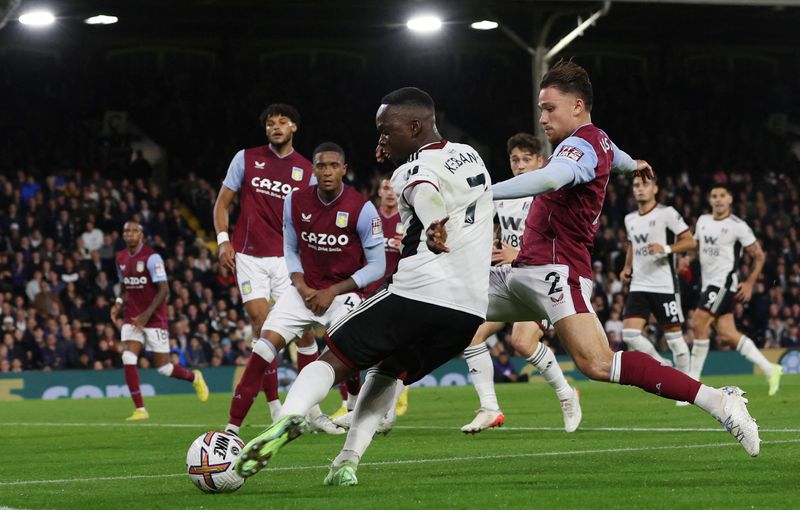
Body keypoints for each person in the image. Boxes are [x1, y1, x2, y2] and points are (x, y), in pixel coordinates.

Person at [477, 59, 760, 458]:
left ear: (577, 106)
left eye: (549, 107)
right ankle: (375, 392)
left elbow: (553, 179)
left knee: (597, 363)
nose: (542, 116)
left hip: (557, 271)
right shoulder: (600, 141)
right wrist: (636, 165)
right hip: (528, 270)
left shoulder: (577, 146)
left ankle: (718, 400)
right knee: (451, 311)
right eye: (541, 108)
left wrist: (484, 191)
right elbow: (621, 157)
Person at [234, 87, 494, 485]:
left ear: (415, 125)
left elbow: (425, 192)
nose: (381, 141)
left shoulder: (408, 171)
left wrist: (435, 224)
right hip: (468, 313)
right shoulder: (470, 154)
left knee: (332, 357)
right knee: (387, 372)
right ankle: (347, 462)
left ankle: (287, 418)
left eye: (386, 131)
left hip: (419, 293)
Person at [224, 142, 386, 437]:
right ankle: (231, 429)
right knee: (262, 347)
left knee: (348, 352)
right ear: (313, 169)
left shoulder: (362, 208)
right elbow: (291, 247)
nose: (327, 172)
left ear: (344, 170)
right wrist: (299, 283)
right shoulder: (294, 201)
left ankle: (353, 410)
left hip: (342, 294)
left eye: (334, 166)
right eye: (321, 166)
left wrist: (333, 291)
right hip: (304, 291)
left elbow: (377, 265)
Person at [461, 133, 581, 434]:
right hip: (510, 275)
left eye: (527, 159)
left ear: (541, 161)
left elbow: (561, 239)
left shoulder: (550, 196)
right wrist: (490, 246)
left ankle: (567, 394)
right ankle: (490, 408)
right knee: (470, 335)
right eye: (515, 159)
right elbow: (499, 233)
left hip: (541, 276)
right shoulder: (507, 195)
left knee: (522, 342)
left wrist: (521, 253)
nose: (520, 165)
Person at [214, 103, 318, 422]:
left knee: (306, 334)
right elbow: (223, 203)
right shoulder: (246, 158)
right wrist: (222, 241)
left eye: (283, 122)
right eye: (271, 123)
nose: (275, 127)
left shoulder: (307, 171)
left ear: (294, 128)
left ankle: (312, 409)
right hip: (249, 256)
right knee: (263, 326)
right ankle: (275, 407)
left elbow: (315, 220)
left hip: (287, 260)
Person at [111, 221, 208, 420]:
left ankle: (195, 377)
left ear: (141, 235)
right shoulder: (120, 257)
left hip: (154, 318)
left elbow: (164, 289)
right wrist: (119, 302)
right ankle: (140, 409)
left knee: (164, 368)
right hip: (132, 316)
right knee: (128, 357)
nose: (129, 234)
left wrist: (146, 315)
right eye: (126, 231)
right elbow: (124, 286)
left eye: (133, 231)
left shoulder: (152, 258)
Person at [332, 175, 409, 424]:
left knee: (386, 352)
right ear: (379, 190)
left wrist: (406, 249)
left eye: (393, 188)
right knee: (351, 347)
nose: (389, 192)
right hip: (366, 292)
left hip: (396, 292)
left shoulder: (407, 220)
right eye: (385, 187)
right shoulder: (369, 218)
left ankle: (391, 398)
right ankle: (350, 404)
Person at [690, 184, 781, 394]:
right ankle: (770, 368)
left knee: (698, 321)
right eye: (714, 196)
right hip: (708, 284)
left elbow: (759, 256)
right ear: (710, 199)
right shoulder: (703, 221)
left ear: (730, 199)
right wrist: (687, 258)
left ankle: (692, 387)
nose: (718, 199)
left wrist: (749, 282)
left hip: (723, 283)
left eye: (722, 195)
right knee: (728, 334)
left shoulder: (738, 226)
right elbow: (696, 247)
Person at [620, 175, 696, 388]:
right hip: (639, 285)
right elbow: (632, 245)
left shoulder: (667, 213)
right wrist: (627, 267)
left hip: (664, 285)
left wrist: (667, 249)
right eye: (636, 185)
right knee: (630, 335)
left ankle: (687, 385)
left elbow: (690, 241)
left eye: (645, 184)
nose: (640, 189)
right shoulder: (630, 219)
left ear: (655, 188)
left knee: (675, 342)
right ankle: (662, 365)